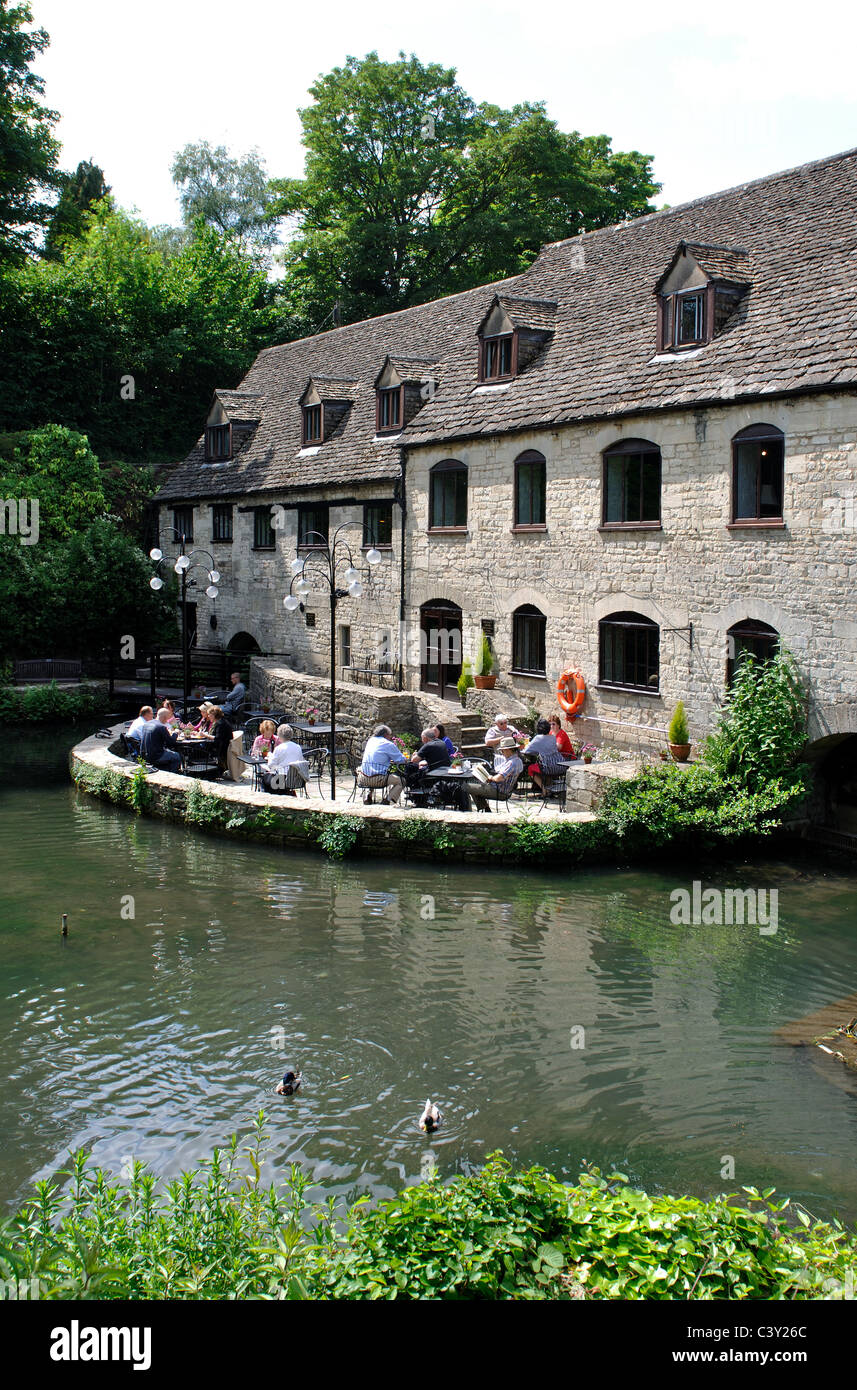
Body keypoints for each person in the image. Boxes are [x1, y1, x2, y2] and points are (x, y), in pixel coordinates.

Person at [468, 736, 523, 812]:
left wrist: (490, 777)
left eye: (502, 751)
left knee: (466, 787)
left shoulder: (511, 763)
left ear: (508, 750)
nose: (502, 753)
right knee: (475, 787)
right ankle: (485, 809)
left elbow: (498, 778)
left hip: (499, 791)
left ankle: (468, 810)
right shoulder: (518, 760)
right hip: (504, 790)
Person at [357, 724, 405, 805]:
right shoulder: (388, 744)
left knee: (369, 769)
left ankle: (368, 795)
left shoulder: (370, 741)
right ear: (386, 735)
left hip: (362, 779)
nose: (390, 737)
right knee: (401, 781)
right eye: (390, 735)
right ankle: (388, 800)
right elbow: (401, 760)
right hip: (378, 780)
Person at [262, 724, 310, 795]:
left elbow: (271, 765)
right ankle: (286, 793)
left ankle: (273, 799)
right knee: (275, 777)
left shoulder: (279, 748)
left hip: (281, 780)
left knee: (265, 778)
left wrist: (270, 757)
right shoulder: (297, 747)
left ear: (279, 735)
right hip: (297, 779)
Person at [522, 718, 559, 791]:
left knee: (531, 768)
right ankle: (549, 788)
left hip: (548, 767)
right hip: (558, 765)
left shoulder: (538, 738)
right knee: (540, 766)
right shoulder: (553, 737)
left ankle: (544, 790)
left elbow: (526, 751)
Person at [208, 706, 234, 772]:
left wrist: (205, 735)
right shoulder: (220, 721)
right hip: (220, 745)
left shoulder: (221, 724)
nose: (208, 716)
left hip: (222, 747)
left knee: (199, 747)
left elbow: (218, 738)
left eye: (209, 714)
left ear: (214, 715)